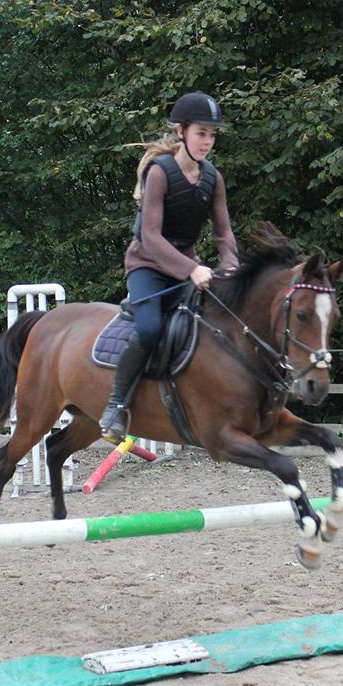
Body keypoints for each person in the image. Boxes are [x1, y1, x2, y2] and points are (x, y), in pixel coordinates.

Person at [99, 91, 240, 443]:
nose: (207, 142)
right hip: (148, 265)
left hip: (185, 267)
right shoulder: (160, 174)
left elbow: (223, 234)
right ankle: (116, 406)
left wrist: (230, 266)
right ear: (182, 132)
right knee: (149, 329)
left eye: (212, 135)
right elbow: (151, 237)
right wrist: (191, 270)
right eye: (201, 133)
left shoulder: (213, 179)